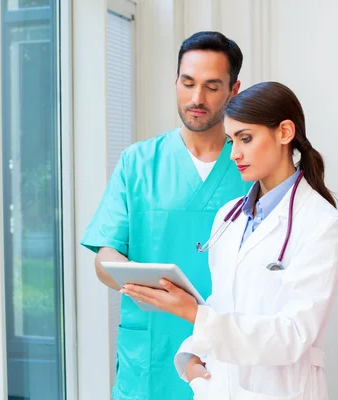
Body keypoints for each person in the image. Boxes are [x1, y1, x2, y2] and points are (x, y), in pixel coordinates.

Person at [121, 81, 338, 400]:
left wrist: (194, 315)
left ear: (284, 132)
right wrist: (189, 358)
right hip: (216, 386)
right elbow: (223, 305)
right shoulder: (230, 215)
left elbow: (293, 335)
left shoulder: (322, 223)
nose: (235, 153)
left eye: (246, 138)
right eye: (231, 140)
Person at [80, 31, 251, 400]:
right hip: (149, 357)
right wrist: (140, 281)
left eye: (211, 86)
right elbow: (103, 256)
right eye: (187, 83)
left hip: (225, 352)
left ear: (234, 90)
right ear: (175, 81)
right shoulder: (138, 162)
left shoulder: (250, 167)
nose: (196, 99)